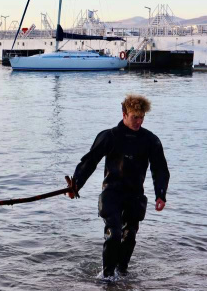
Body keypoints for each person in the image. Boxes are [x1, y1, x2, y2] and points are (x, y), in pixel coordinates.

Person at [67, 95, 170, 278]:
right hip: (112, 193)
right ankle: (106, 277)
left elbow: (160, 169)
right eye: (134, 117)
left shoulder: (150, 140)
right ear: (124, 114)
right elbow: (90, 162)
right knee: (114, 234)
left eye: (141, 117)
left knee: (129, 236)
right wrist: (76, 185)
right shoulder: (109, 136)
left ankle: (121, 274)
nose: (139, 121)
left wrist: (160, 194)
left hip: (135, 195)